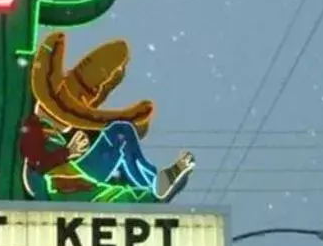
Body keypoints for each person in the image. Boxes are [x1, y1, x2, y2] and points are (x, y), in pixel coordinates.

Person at [19, 31, 194, 202]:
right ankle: (153, 186)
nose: (83, 101)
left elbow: (86, 113)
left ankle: (156, 183)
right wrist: (68, 152)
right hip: (53, 186)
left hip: (81, 179)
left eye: (87, 97)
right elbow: (37, 163)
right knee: (120, 134)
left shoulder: (71, 134)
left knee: (121, 133)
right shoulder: (33, 127)